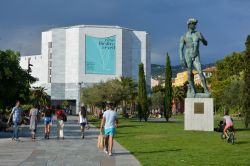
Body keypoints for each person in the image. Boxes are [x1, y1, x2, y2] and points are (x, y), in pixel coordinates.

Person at [179, 18, 210, 96]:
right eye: (193, 24)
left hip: (196, 55)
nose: (195, 25)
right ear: (189, 25)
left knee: (200, 72)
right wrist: (181, 58)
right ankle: (192, 90)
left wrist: (202, 39)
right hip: (188, 55)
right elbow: (180, 49)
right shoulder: (184, 36)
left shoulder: (198, 34)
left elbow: (206, 43)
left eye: (195, 24)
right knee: (189, 73)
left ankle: (206, 89)